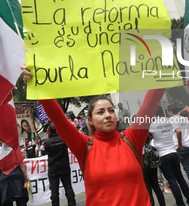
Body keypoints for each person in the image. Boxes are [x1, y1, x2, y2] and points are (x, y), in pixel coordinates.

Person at [22, 64, 165, 206]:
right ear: (90, 120)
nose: (108, 115)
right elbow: (58, 119)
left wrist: (165, 64)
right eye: (100, 112)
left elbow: (150, 104)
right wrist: (37, 83)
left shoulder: (132, 138)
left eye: (111, 110)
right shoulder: (83, 145)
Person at [150, 116, 189, 206]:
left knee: (172, 181)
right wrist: (180, 144)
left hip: (162, 155)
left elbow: (146, 136)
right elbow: (178, 131)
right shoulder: (170, 121)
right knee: (180, 178)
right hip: (173, 152)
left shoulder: (153, 125)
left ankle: (180, 204)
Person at [44, 123, 76, 206]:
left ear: (50, 131)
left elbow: (46, 151)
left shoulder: (47, 142)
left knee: (54, 190)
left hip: (53, 169)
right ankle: (72, 203)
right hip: (64, 166)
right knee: (68, 186)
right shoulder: (64, 139)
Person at [142, 132, 165, 206]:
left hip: (143, 162)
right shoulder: (149, 136)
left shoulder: (139, 140)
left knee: (148, 189)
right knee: (156, 187)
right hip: (151, 162)